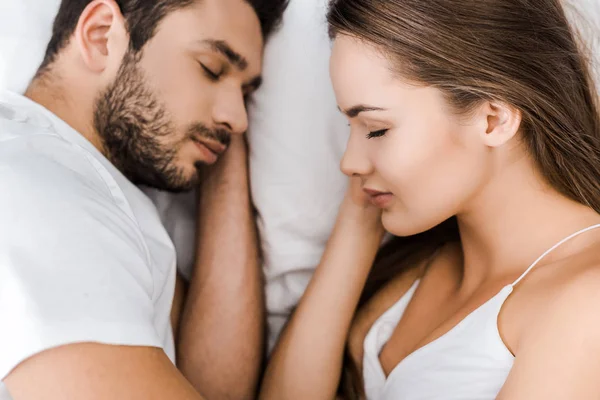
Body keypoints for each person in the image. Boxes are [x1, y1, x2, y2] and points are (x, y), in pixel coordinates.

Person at [260, 0, 600, 399]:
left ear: (493, 119)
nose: (349, 163)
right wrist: (358, 223)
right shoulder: (415, 271)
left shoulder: (586, 303)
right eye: (349, 125)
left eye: (376, 129)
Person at [0, 0, 285, 399]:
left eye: (245, 93)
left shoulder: (89, 187)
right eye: (211, 68)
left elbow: (213, 385)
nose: (239, 120)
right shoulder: (36, 185)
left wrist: (214, 138)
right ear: (101, 36)